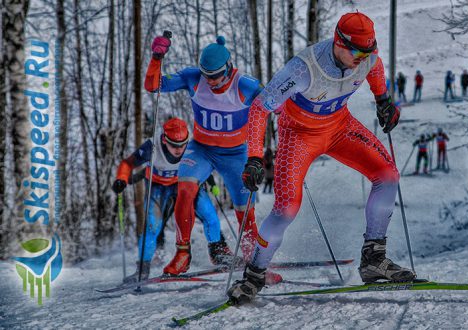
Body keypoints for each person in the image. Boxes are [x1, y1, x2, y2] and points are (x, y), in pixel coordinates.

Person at [228, 11, 416, 304]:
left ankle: (373, 259)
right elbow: (260, 108)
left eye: (368, 51)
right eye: (356, 51)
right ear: (338, 42)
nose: (361, 58)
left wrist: (384, 100)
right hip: (299, 135)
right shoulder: (304, 69)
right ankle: (254, 275)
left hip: (341, 128)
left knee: (388, 176)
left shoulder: (366, 58)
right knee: (287, 207)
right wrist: (254, 157)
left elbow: (375, 68)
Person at [144, 35, 278, 283]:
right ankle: (182, 253)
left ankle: (254, 259)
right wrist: (156, 58)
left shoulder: (245, 85)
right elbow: (153, 86)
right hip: (201, 149)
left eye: (216, 75)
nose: (211, 81)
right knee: (184, 189)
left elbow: (277, 104)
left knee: (244, 210)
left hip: (236, 154)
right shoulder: (193, 78)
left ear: (228, 67)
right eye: (207, 75)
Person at [112, 118, 230, 283]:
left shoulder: (193, 147)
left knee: (209, 214)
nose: (179, 149)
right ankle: (142, 270)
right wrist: (122, 179)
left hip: (186, 183)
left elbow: (205, 166)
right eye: (174, 145)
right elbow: (127, 163)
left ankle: (219, 254)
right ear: (164, 139)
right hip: (158, 188)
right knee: (152, 226)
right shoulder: (151, 147)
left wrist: (211, 184)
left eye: (183, 144)